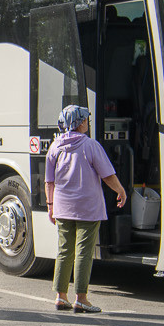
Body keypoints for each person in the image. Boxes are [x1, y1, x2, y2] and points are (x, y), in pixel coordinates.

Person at [43, 105, 127, 313]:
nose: (88, 123)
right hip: (88, 208)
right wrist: (120, 190)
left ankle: (61, 296)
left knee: (64, 251)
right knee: (83, 252)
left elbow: (49, 181)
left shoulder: (55, 147)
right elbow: (107, 174)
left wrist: (50, 205)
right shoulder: (90, 145)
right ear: (80, 123)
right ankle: (81, 298)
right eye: (86, 120)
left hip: (62, 207)